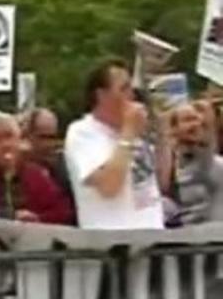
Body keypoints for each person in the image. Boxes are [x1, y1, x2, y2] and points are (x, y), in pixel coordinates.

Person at [64, 58, 164, 229]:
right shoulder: (82, 133)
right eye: (124, 89)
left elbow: (161, 181)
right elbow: (109, 187)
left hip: (152, 237)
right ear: (101, 95)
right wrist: (129, 132)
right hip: (113, 243)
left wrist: (164, 131)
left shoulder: (134, 130)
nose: (131, 96)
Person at [0, 112, 74, 224]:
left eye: (9, 136)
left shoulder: (35, 175)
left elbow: (63, 210)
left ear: (19, 141)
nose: (5, 145)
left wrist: (38, 219)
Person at [156, 101, 223, 225]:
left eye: (197, 120)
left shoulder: (207, 158)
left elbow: (209, 145)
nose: (195, 124)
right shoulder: (169, 158)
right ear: (174, 129)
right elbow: (163, 185)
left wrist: (209, 119)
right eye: (188, 120)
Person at [24, 108, 74, 203]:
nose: (49, 144)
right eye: (43, 137)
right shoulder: (17, 168)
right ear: (28, 135)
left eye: (52, 137)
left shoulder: (65, 168)